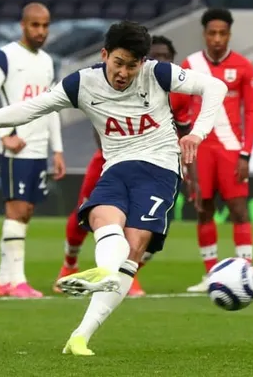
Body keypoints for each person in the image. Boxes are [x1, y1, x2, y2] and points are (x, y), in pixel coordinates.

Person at [0, 21, 227, 356]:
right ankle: (104, 272)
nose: (123, 73)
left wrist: (197, 134)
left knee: (134, 246)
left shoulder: (158, 73)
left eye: (131, 66)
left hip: (159, 169)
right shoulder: (82, 83)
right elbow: (29, 109)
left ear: (142, 62)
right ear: (104, 54)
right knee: (101, 218)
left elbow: (215, 87)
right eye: (118, 63)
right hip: (117, 167)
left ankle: (81, 335)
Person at [53, 35, 188, 297]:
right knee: (85, 211)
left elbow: (183, 130)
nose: (161, 61)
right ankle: (69, 264)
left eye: (166, 57)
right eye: (156, 56)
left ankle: (128, 273)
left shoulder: (179, 94)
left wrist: (185, 165)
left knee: (151, 227)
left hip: (159, 168)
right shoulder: (128, 83)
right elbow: (102, 125)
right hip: (110, 161)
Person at [0, 3, 66, 298]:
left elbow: (52, 106)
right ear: (23, 25)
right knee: (17, 210)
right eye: (35, 25)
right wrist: (4, 135)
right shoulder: (6, 56)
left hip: (38, 148)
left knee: (26, 212)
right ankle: (17, 281)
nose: (41, 31)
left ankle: (4, 280)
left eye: (45, 25)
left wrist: (57, 149)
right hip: (17, 147)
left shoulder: (47, 61)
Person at [169, 8, 253, 292]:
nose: (217, 39)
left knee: (238, 210)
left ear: (229, 35)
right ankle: (211, 274)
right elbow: (179, 109)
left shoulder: (244, 67)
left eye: (222, 33)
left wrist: (246, 153)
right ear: (204, 34)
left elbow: (251, 112)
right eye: (212, 33)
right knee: (204, 209)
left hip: (231, 148)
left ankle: (246, 272)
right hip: (201, 149)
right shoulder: (191, 64)